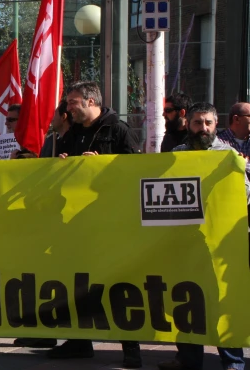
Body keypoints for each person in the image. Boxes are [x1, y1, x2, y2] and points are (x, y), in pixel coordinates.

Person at [50, 81, 141, 368]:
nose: (68, 108)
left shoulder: (118, 130)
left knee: (118, 282)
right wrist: (62, 162)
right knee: (77, 282)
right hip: (77, 223)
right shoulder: (72, 133)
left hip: (110, 221)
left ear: (90, 101)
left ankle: (131, 347)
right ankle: (79, 342)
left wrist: (104, 164)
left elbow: (135, 170)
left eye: (72, 102)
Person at [157, 102, 246, 370]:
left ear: (216, 125)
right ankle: (188, 358)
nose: (203, 128)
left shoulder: (229, 155)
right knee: (185, 300)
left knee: (222, 301)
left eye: (208, 123)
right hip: (185, 241)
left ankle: (232, 361)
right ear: (189, 124)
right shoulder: (177, 154)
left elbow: (245, 194)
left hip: (220, 243)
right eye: (198, 123)